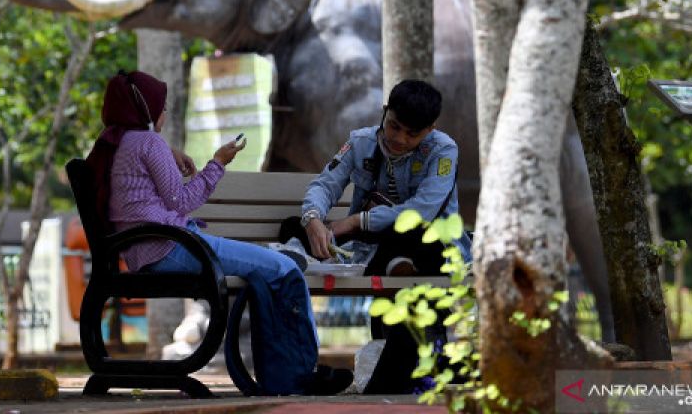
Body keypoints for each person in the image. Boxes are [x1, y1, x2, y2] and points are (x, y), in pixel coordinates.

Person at [87, 68, 352, 396]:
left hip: (148, 251)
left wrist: (166, 153)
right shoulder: (148, 142)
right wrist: (218, 162)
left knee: (272, 268)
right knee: (284, 269)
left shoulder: (115, 143)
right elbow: (183, 200)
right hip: (173, 248)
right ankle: (300, 375)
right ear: (147, 109)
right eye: (163, 106)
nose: (165, 113)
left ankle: (286, 375)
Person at [278, 79, 471, 393]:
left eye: (413, 134)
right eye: (394, 126)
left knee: (413, 233)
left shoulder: (443, 150)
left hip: (428, 247)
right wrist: (313, 219)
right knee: (291, 226)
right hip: (371, 251)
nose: (399, 139)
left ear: (430, 129)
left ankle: (398, 267)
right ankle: (387, 264)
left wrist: (356, 221)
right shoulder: (360, 142)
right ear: (385, 112)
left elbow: (421, 211)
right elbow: (324, 185)